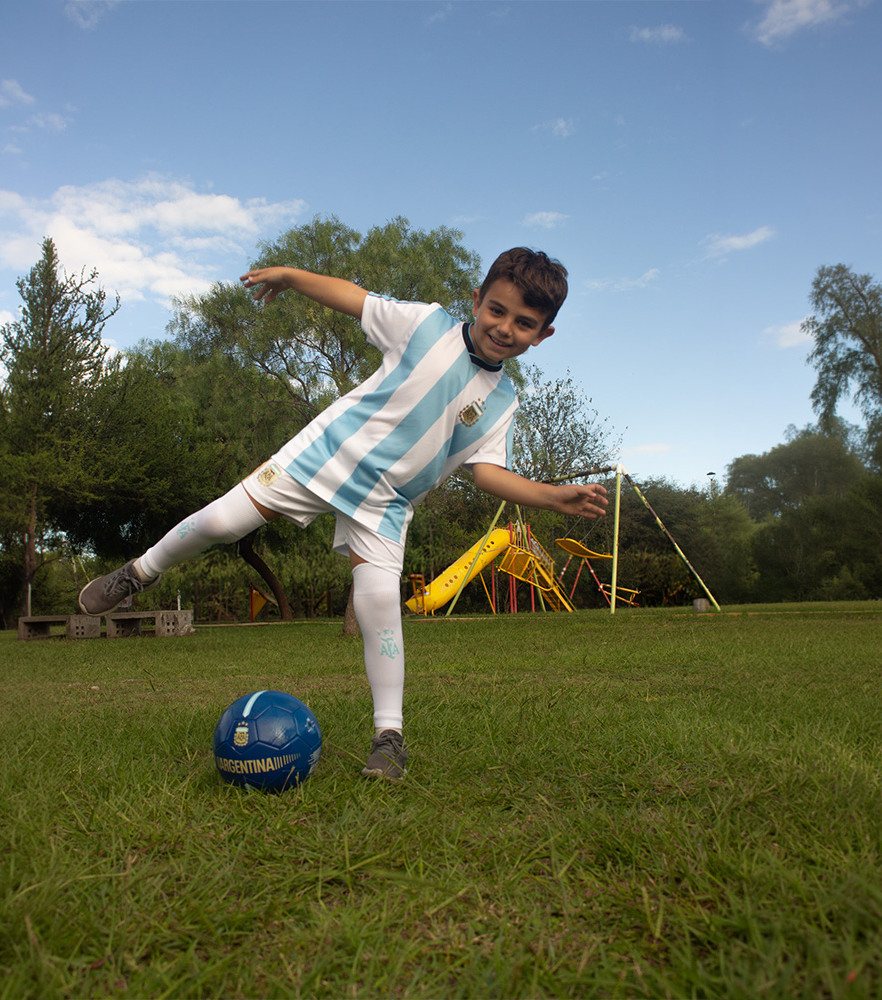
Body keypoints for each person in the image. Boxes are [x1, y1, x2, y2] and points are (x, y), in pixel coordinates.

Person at [79, 247, 609, 780]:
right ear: (476, 300)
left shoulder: (503, 401)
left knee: (379, 603)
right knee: (221, 523)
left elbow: (488, 472)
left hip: (387, 503)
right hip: (327, 455)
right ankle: (139, 572)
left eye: (524, 323)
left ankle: (389, 736)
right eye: (497, 310)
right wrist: (290, 276)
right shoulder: (425, 325)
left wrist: (550, 495)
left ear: (542, 335)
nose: (505, 328)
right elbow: (353, 298)